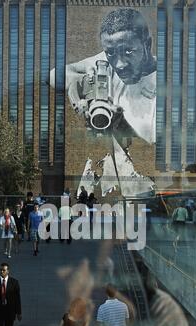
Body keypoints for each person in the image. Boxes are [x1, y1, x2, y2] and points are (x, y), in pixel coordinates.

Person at [50, 8, 156, 197]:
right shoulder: (105, 62)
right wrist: (83, 92)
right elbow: (54, 75)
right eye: (110, 53)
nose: (119, 63)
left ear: (147, 44)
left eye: (129, 51)